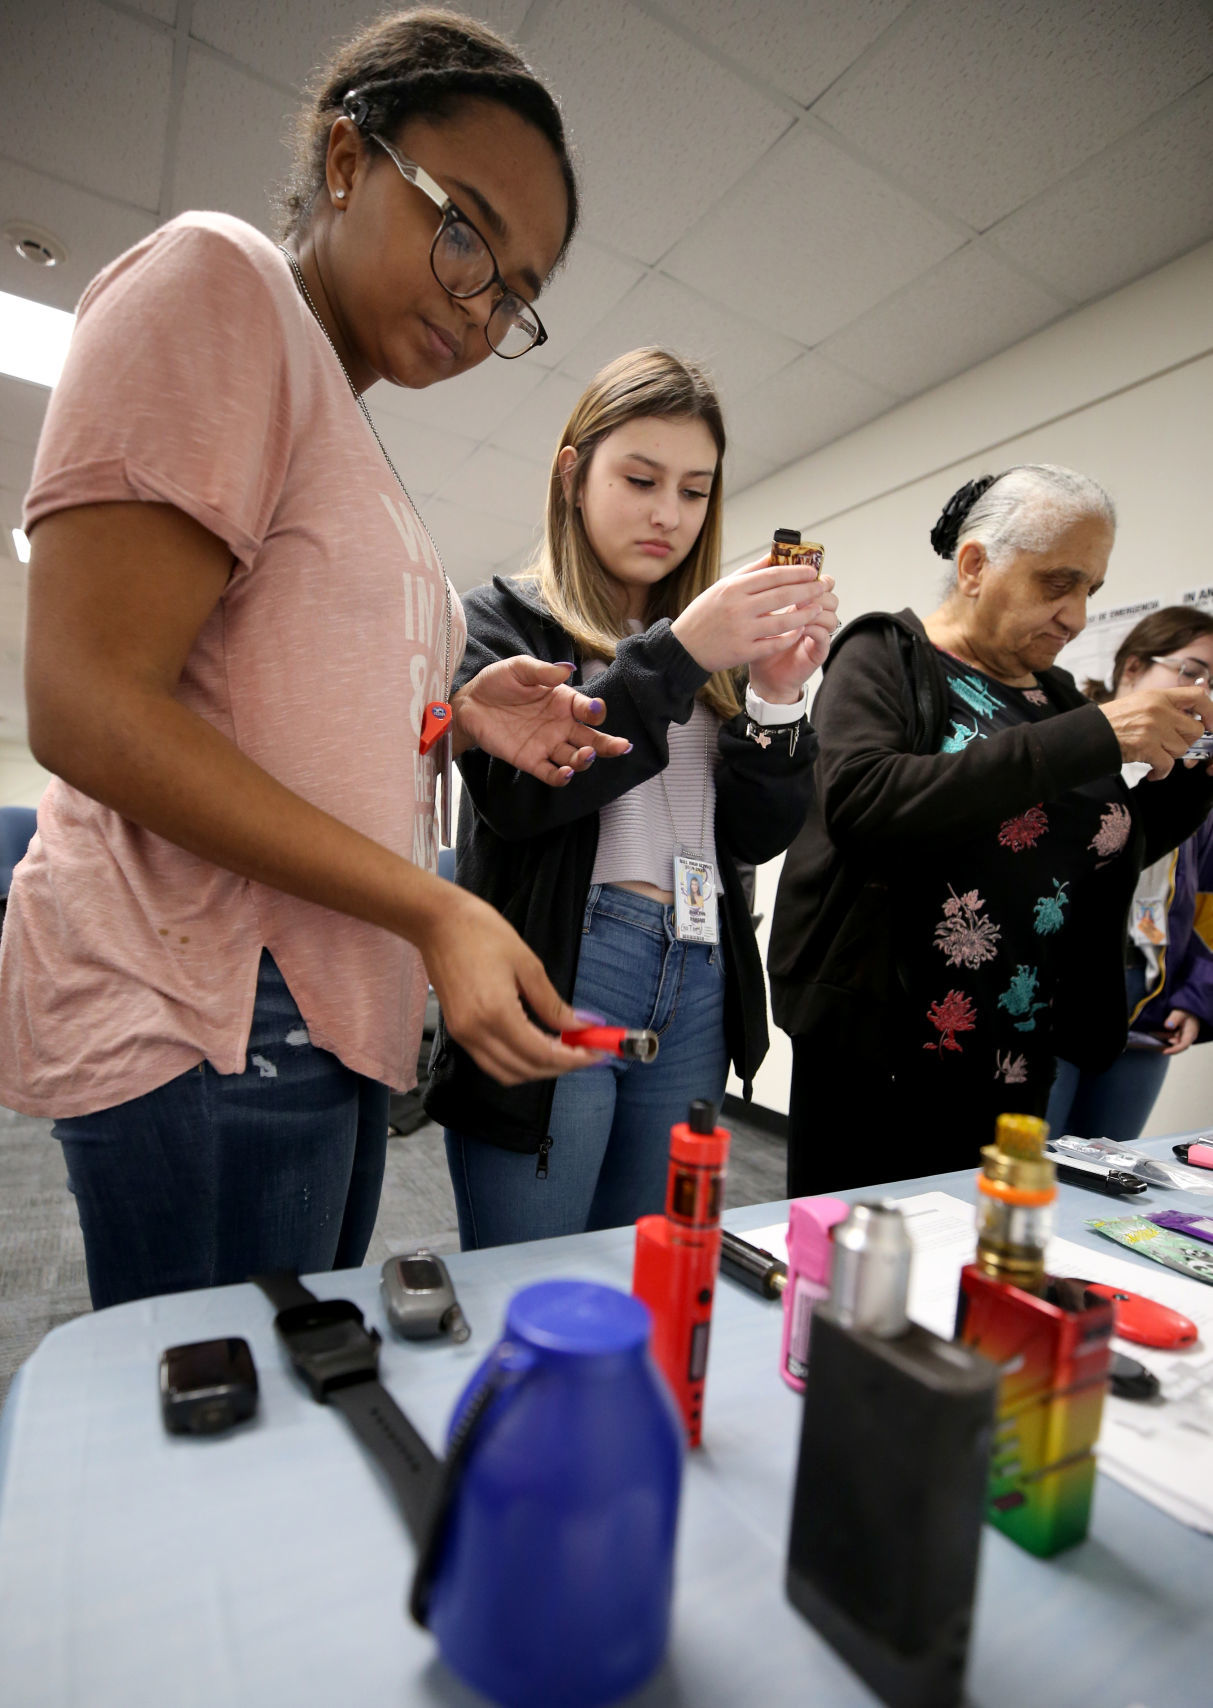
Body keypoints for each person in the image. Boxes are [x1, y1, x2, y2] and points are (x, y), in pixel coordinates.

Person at [0, 9, 633, 1309]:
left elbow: (256, 683)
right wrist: (435, 905)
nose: (481, 304)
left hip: (321, 995)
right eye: (465, 232)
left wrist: (454, 714)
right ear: (347, 160)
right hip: (213, 995)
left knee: (290, 1389)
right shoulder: (223, 278)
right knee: (221, 1423)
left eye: (516, 291)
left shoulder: (340, 421)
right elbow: (86, 703)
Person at [426, 347, 837, 1247]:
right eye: (641, 478)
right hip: (568, 965)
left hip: (698, 970)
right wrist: (679, 653)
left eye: (694, 491)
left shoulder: (713, 647)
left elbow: (760, 835)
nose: (668, 514)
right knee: (531, 1278)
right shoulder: (494, 620)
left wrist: (774, 698)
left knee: (647, 1266)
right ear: (573, 475)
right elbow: (522, 800)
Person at [768, 464, 1213, 1195]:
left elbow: (1095, 849)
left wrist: (1199, 780)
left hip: (1015, 1046)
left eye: (1089, 592)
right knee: (855, 1270)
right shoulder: (886, 655)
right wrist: (1093, 737)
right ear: (974, 565)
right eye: (1056, 583)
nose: (1073, 615)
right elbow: (863, 802)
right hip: (883, 1045)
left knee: (977, 1261)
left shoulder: (1056, 695)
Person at [1047, 607, 1213, 1141]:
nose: (1203, 690)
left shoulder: (1197, 783)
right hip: (1054, 987)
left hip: (1146, 995)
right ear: (1135, 668)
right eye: (1191, 670)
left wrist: (1195, 997)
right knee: (1033, 1160)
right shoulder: (1069, 748)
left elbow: (1209, 906)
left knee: (1107, 1169)